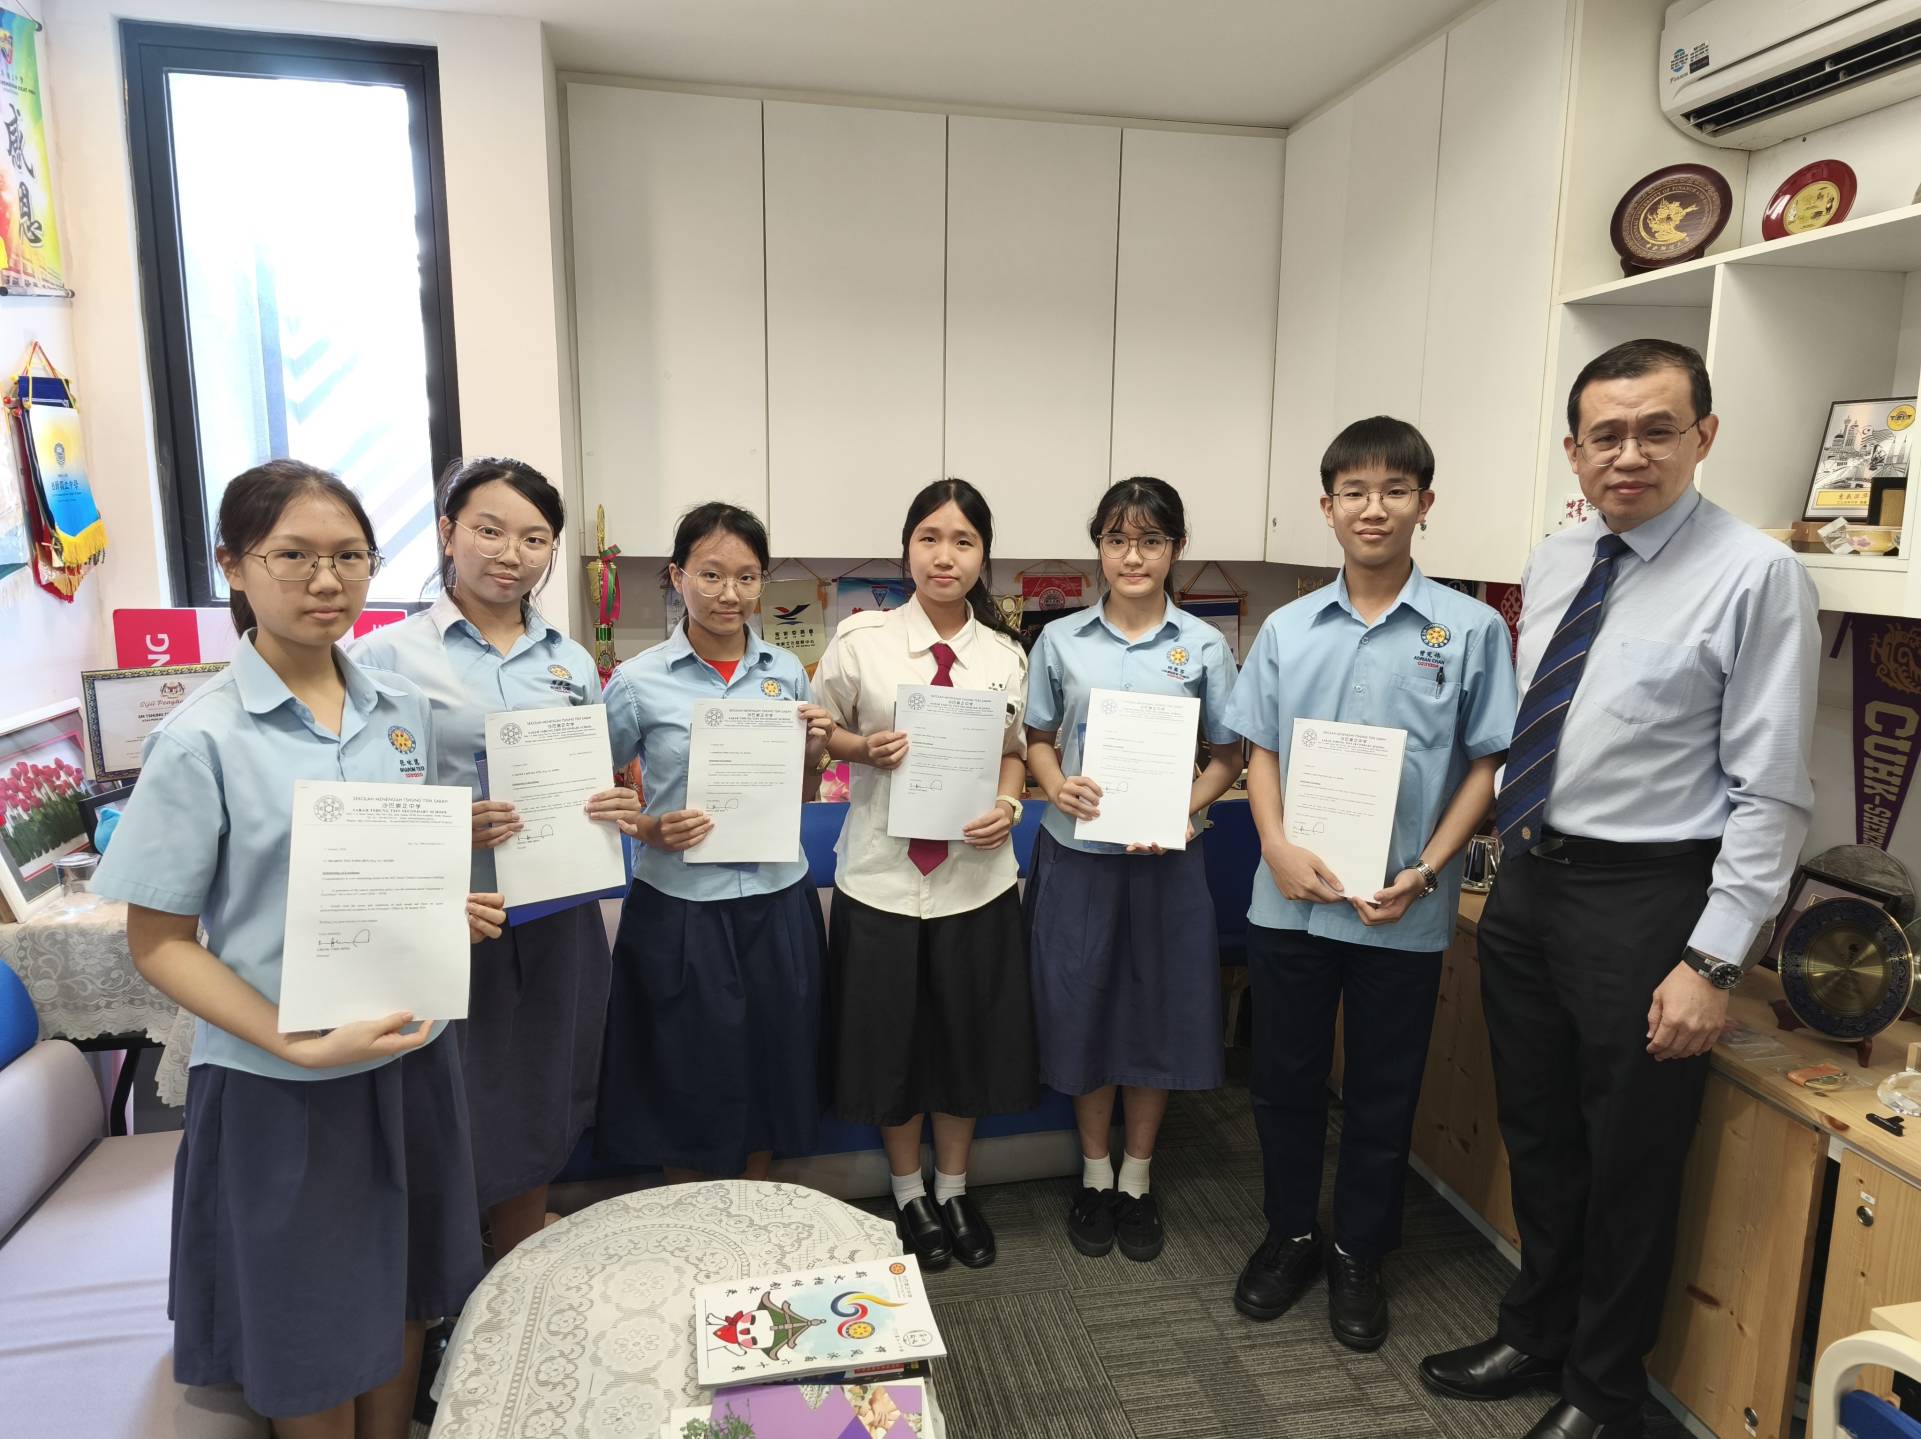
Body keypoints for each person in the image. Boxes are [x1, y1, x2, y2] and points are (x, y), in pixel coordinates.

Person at [1419, 340, 1819, 1439]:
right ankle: (1536, 1331)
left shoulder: (1756, 575)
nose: (1628, 454)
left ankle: (1602, 1389)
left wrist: (1710, 961)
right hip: (1531, 884)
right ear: (1574, 450)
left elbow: (1772, 791)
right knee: (1539, 1130)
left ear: (1704, 436)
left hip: (1647, 899)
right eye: (1605, 434)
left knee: (1629, 1156)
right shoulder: (1558, 557)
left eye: (1655, 430)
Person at [93, 460, 506, 1437]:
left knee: (407, 1286)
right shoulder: (199, 739)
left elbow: (375, 876)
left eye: (350, 556)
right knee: (308, 1317)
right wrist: (293, 1039)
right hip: (280, 1080)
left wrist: (435, 908)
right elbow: (159, 942)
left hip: (407, 1053)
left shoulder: (401, 713)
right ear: (233, 565)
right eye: (294, 556)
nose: (327, 580)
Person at [1226, 417, 1516, 1351]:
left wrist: (1427, 870)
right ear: (1327, 507)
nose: (1372, 507)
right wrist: (1273, 845)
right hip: (1289, 903)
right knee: (1283, 1082)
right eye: (1353, 491)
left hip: (1403, 910)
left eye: (1393, 490)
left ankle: (1359, 1249)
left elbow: (1486, 763)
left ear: (1424, 504)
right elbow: (1260, 750)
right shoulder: (1286, 629)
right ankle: (1289, 1233)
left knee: (1385, 1092)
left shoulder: (1468, 629)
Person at [352, 456, 638, 1259]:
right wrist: (450, 826)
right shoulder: (384, 659)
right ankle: (441, 1279)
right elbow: (359, 801)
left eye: (534, 538)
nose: (512, 553)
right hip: (451, 918)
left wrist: (613, 805)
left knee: (543, 1092)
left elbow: (590, 778)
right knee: (447, 1099)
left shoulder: (570, 661)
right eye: (489, 530)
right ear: (447, 532)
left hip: (558, 913)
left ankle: (517, 1261)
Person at [815, 478, 1035, 1271]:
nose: (945, 556)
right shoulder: (860, 641)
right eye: (929, 538)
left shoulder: (1005, 656)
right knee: (889, 1046)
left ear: (983, 554)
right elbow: (817, 733)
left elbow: (1013, 753)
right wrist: (859, 749)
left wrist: (1008, 806)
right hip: (880, 877)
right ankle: (908, 1191)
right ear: (906, 547)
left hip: (975, 881)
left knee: (963, 1042)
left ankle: (954, 1187)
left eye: (963, 541)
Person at [1023, 476, 1243, 1263]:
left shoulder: (1204, 646)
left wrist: (1186, 807)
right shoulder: (1060, 640)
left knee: (1157, 1011)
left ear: (1174, 548)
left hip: (1165, 860)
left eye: (1150, 540)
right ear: (1099, 547)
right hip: (1078, 856)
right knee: (1082, 1006)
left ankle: (1138, 1177)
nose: (1133, 556)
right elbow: (1036, 739)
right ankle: (1093, 1172)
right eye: (1117, 539)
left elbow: (1229, 755)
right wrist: (1056, 784)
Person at [595, 502, 835, 1181]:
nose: (730, 593)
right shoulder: (637, 682)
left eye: (747, 577)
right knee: (683, 1075)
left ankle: (752, 1210)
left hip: (776, 899)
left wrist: (813, 754)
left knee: (772, 1065)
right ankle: (692, 1222)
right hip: (680, 906)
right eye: (710, 574)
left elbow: (800, 792)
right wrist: (649, 828)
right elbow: (591, 796)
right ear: (677, 577)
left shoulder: (786, 671)